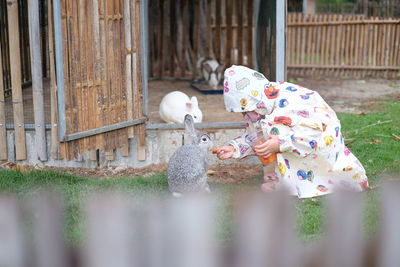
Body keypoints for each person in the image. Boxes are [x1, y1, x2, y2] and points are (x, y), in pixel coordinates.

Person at [215, 65, 369, 198]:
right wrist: (234, 147)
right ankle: (285, 180)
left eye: (247, 109)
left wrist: (279, 143)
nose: (245, 115)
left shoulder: (290, 102)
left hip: (320, 135)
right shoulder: (261, 108)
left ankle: (313, 179)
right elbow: (255, 135)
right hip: (295, 139)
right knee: (270, 132)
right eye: (243, 112)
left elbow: (310, 132)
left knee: (275, 131)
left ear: (257, 100)